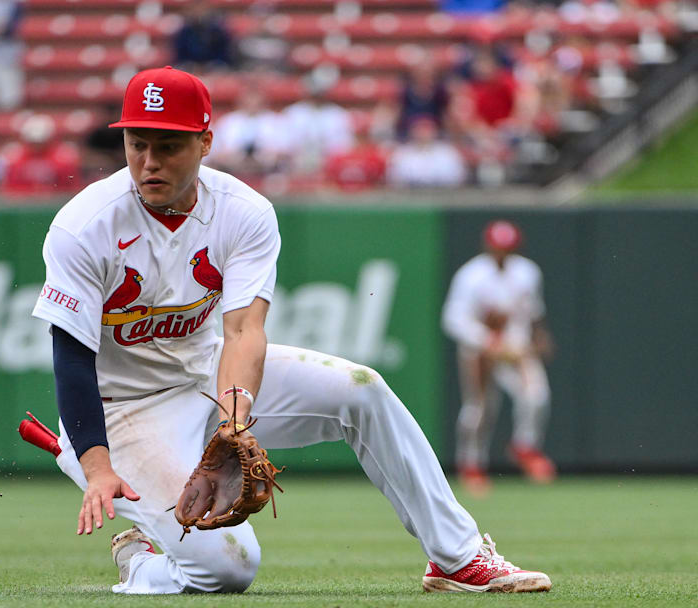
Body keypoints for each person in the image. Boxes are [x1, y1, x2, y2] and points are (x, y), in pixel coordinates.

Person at [30, 65, 552, 595]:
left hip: (204, 376)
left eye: (168, 146)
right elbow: (71, 357)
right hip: (123, 410)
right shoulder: (85, 226)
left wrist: (233, 425)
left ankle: (457, 558)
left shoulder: (243, 211)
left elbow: (242, 331)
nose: (149, 162)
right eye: (137, 144)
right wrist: (97, 465)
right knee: (228, 569)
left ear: (205, 142)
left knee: (361, 389)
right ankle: (140, 561)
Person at [442, 220, 556, 496]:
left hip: (516, 347)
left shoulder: (527, 271)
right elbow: (453, 319)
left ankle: (524, 446)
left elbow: (533, 310)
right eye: (497, 247)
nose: (502, 253)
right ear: (487, 246)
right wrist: (488, 341)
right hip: (479, 349)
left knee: (537, 396)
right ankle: (471, 465)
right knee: (479, 409)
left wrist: (540, 334)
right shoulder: (471, 275)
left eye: (508, 248)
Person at [387, 116, 467, 187]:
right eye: (419, 129)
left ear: (435, 131)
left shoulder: (448, 152)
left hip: (444, 194)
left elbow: (458, 178)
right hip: (410, 195)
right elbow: (395, 179)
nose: (423, 133)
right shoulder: (402, 153)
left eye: (427, 130)